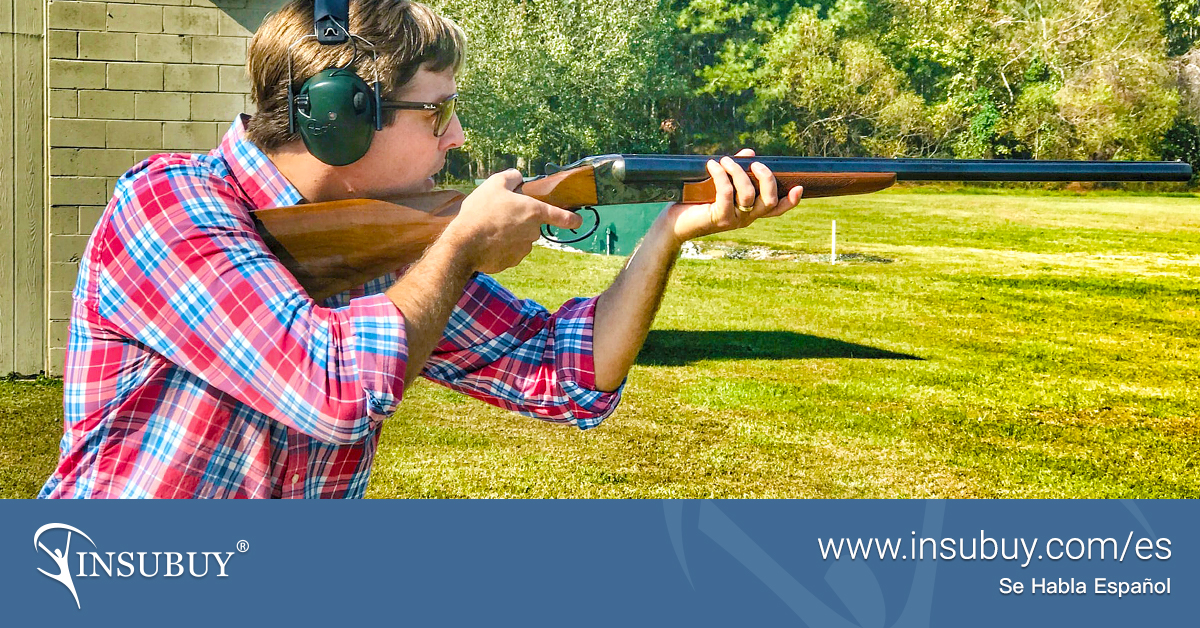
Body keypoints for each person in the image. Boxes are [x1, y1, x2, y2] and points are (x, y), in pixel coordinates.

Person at [39, 0, 803, 498]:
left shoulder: (391, 247)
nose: (458, 137)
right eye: (436, 114)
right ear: (338, 119)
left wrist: (670, 230)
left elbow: (566, 372)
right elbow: (332, 387)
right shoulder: (167, 205)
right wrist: (466, 241)